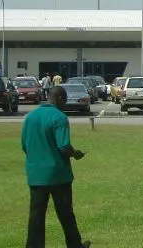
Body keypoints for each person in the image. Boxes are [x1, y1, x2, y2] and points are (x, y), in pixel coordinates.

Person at [21, 85, 91, 248]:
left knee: (36, 217)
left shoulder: (31, 117)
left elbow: (25, 145)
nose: (65, 103)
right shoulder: (59, 117)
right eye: (65, 100)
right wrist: (76, 154)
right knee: (66, 214)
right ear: (59, 98)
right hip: (58, 175)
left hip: (36, 175)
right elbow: (64, 146)